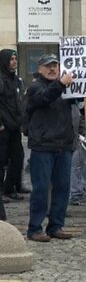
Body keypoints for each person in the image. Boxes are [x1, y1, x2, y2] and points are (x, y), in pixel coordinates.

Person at [26, 53, 74, 242]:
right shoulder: (35, 87)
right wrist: (61, 84)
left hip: (63, 144)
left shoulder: (64, 88)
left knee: (62, 188)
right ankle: (34, 228)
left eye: (55, 65)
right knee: (41, 189)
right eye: (48, 66)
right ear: (39, 69)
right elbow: (44, 98)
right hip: (43, 146)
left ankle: (56, 225)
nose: (52, 69)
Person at [0, 49, 26, 205]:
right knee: (1, 160)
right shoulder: (1, 79)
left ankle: (11, 187)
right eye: (11, 59)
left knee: (18, 157)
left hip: (15, 125)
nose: (14, 61)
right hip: (3, 127)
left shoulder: (16, 80)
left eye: (16, 58)